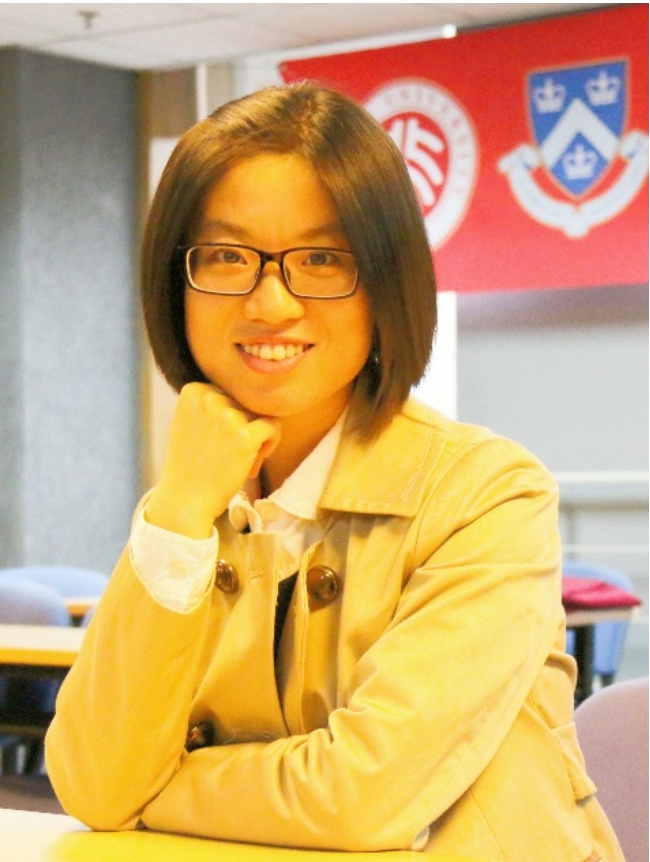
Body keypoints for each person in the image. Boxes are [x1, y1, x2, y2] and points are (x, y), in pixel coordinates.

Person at [45, 82, 623, 861]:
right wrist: (178, 513)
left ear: (386, 282)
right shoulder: (190, 504)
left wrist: (157, 789)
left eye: (321, 259)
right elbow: (91, 783)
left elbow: (362, 797)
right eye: (227, 256)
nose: (271, 303)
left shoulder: (486, 493)